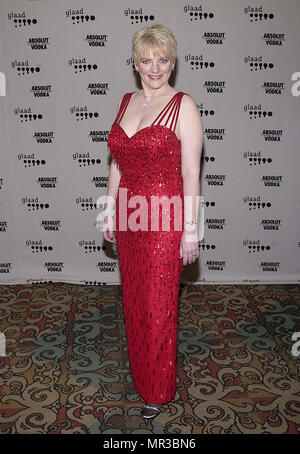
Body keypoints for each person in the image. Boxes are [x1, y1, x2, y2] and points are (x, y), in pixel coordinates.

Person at [102, 24, 203, 419]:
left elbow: (192, 173)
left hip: (164, 219)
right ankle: (142, 371)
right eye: (147, 59)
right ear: (136, 63)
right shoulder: (126, 100)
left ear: (173, 63)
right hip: (129, 219)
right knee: (134, 300)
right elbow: (118, 162)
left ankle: (158, 388)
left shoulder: (184, 106)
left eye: (163, 59)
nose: (155, 67)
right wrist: (110, 208)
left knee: (158, 304)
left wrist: (189, 230)